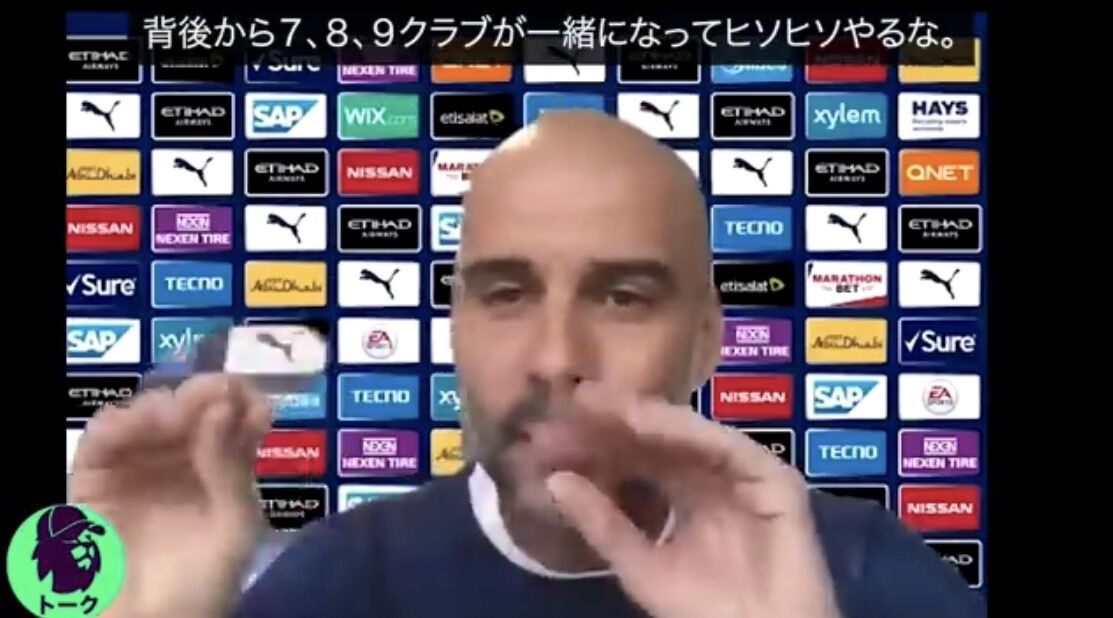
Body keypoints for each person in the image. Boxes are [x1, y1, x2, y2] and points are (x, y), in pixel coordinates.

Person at [71, 110, 986, 618]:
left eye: (623, 296)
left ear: (706, 339)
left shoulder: (863, 576)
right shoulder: (340, 582)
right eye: (506, 294)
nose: (556, 358)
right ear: (456, 325)